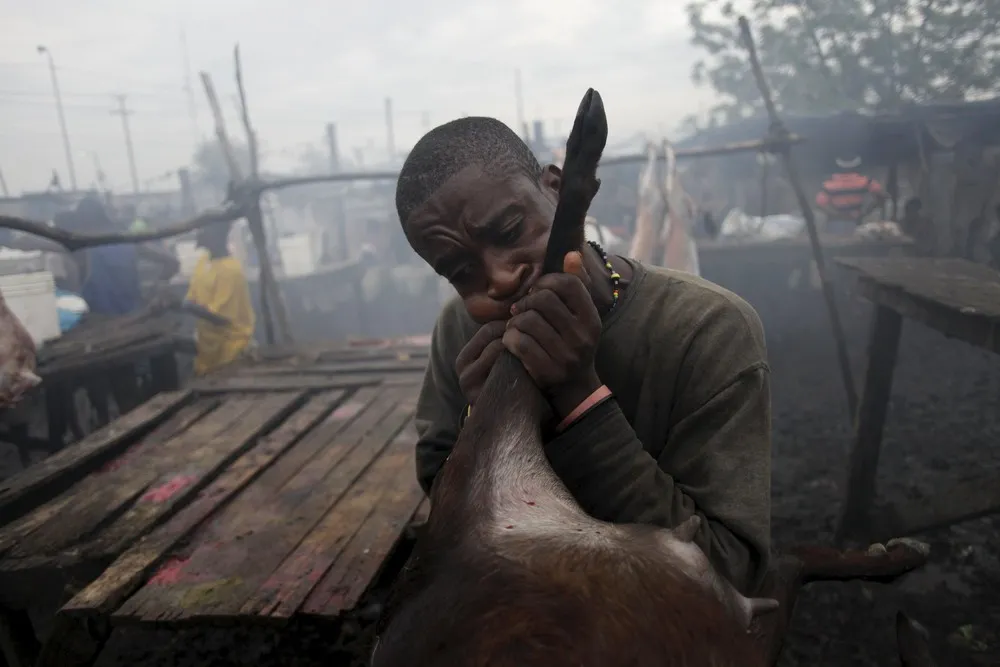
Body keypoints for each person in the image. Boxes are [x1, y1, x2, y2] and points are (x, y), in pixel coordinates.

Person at [397, 117, 771, 596]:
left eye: (510, 231)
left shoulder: (705, 328)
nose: (501, 279)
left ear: (555, 190)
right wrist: (485, 426)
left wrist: (579, 400)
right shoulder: (461, 331)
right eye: (461, 271)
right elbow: (443, 493)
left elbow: (726, 573)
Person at [184, 220, 256, 375]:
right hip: (208, 350)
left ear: (215, 235)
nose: (199, 233)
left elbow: (221, 318)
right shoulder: (203, 262)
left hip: (230, 349)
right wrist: (185, 305)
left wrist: (187, 307)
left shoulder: (231, 270)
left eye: (203, 230)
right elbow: (192, 298)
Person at [815, 157, 887, 235]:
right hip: (857, 222)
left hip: (835, 224)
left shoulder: (828, 184)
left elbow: (820, 205)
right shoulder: (865, 181)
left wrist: (837, 215)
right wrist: (867, 212)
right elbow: (881, 197)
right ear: (857, 166)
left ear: (838, 167)